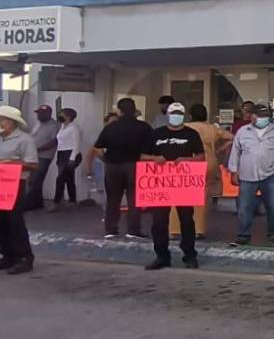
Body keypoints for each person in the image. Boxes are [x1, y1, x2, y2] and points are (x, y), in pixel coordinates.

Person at [141, 102, 205, 270]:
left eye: (179, 113)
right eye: (173, 113)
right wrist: (155, 159)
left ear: (183, 115)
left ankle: (189, 255)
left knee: (186, 221)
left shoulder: (191, 134)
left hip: (183, 184)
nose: (176, 116)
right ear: (168, 115)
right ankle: (162, 256)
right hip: (161, 185)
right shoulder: (156, 134)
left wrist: (186, 160)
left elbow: (200, 157)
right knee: (159, 222)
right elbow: (142, 156)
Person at [87, 98, 153, 239]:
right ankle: (133, 230)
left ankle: (111, 229)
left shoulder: (111, 127)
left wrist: (105, 159)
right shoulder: (144, 127)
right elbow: (152, 147)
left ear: (119, 111)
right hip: (135, 166)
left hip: (113, 166)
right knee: (134, 199)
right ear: (134, 110)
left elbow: (97, 148)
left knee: (113, 199)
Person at [228, 104, 274, 247]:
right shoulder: (243, 131)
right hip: (247, 174)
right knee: (244, 206)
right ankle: (243, 235)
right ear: (252, 116)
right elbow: (235, 151)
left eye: (265, 116)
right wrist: (234, 171)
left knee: (273, 206)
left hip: (271, 173)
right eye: (260, 116)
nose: (263, 119)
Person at [176, 104, 233, 241]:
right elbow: (231, 137)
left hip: (189, 162)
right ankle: (198, 230)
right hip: (208, 162)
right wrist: (220, 150)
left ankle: (176, 229)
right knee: (201, 198)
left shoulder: (185, 127)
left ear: (190, 115)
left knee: (180, 196)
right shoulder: (212, 128)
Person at [0, 105, 39, 274]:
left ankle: (24, 257)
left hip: (15, 184)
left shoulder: (24, 139)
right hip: (1, 183)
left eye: (2, 120)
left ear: (12, 122)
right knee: (1, 221)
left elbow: (33, 164)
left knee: (15, 221)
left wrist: (14, 163)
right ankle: (8, 254)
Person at [49, 108, 83, 212]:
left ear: (68, 116)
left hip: (71, 154)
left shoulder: (74, 128)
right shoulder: (63, 127)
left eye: (62, 114)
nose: (60, 116)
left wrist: (72, 159)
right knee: (69, 178)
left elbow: (76, 144)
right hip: (62, 154)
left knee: (60, 179)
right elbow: (60, 143)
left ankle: (56, 202)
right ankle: (72, 201)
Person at [27, 104, 58, 211]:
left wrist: (38, 149)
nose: (39, 115)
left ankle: (28, 203)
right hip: (33, 155)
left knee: (36, 179)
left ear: (48, 113)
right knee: (33, 180)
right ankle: (38, 202)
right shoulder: (38, 123)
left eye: (41, 113)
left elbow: (54, 141)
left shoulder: (54, 125)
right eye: (38, 113)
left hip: (44, 156)